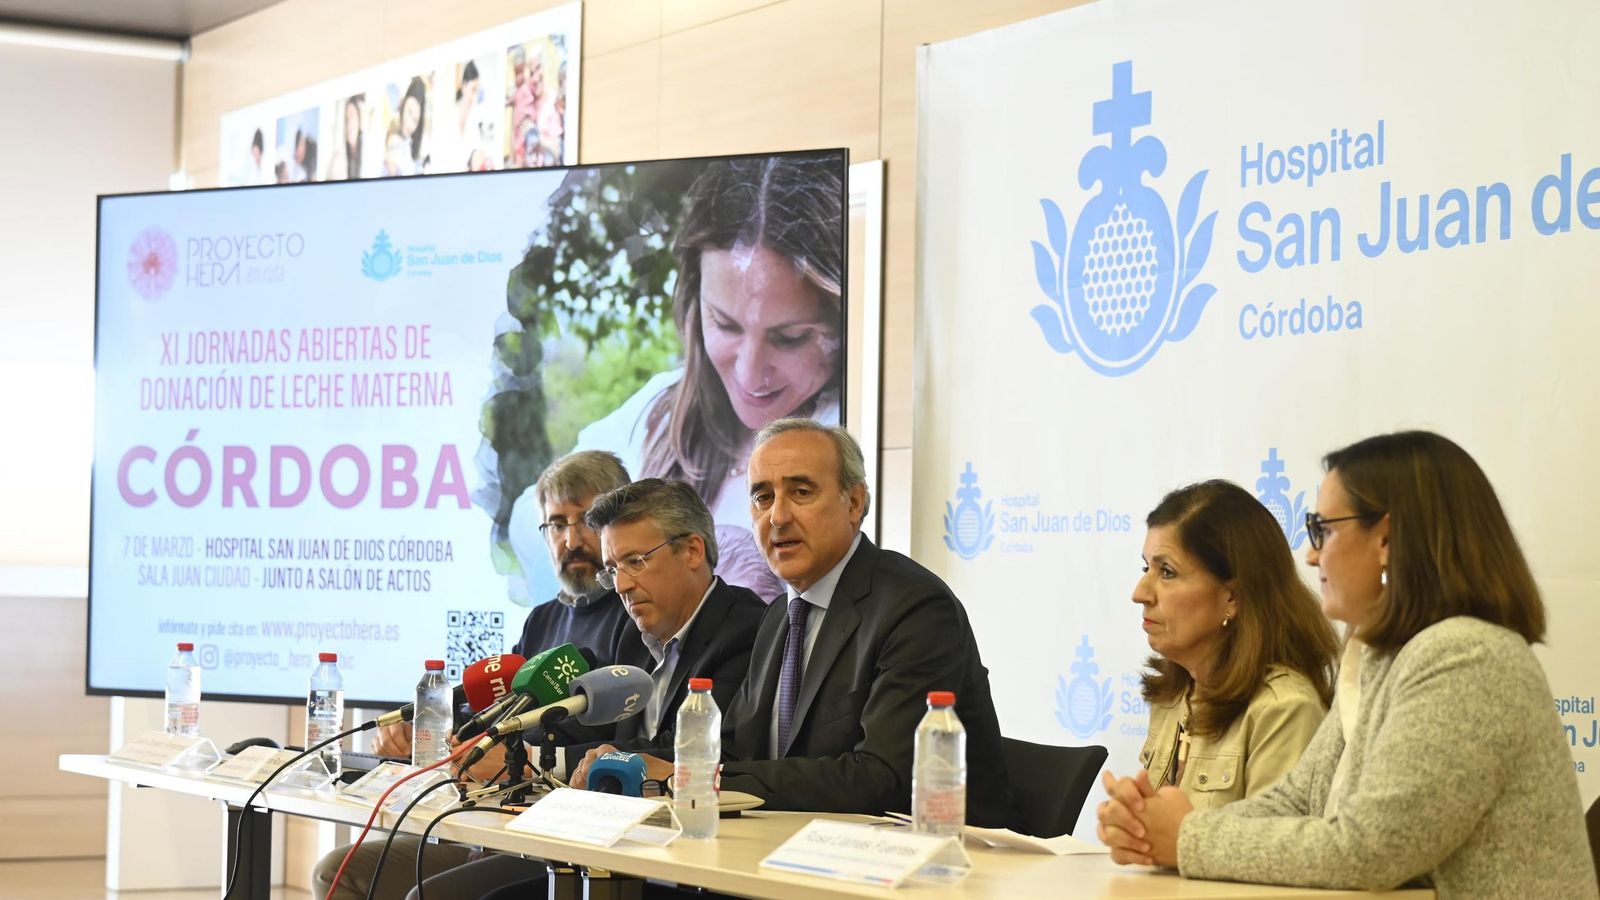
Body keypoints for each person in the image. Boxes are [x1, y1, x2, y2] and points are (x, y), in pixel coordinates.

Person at [1098, 431, 1598, 898]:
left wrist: (1187, 838)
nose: (1312, 556)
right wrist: (1156, 832)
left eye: (1323, 530)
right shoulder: (1383, 654)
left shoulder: (1468, 656)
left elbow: (1370, 850)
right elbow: (1296, 802)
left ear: (1385, 540)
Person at [599, 418, 1015, 825]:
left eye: (800, 492)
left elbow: (881, 777)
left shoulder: (915, 607)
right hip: (797, 848)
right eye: (762, 497)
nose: (777, 517)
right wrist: (641, 765)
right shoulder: (781, 613)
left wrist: (697, 778)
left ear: (854, 503)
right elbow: (739, 749)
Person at [312, 450, 638, 900]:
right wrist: (423, 731)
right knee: (338, 869)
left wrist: (523, 762)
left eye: (586, 520)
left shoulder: (634, 616)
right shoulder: (541, 620)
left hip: (568, 837)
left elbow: (623, 739)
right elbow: (491, 714)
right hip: (495, 823)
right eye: (557, 524)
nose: (571, 539)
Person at [429, 479, 766, 899]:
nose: (622, 586)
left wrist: (532, 761)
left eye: (636, 562)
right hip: (621, 851)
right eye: (613, 570)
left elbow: (692, 753)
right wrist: (501, 750)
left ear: (693, 551)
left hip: (697, 865)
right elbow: (594, 729)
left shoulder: (746, 630)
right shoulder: (634, 637)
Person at [574, 156, 844, 601]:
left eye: (790, 337)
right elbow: (538, 514)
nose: (748, 373)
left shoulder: (843, 437)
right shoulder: (656, 412)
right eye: (725, 324)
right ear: (692, 303)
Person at [1131, 480, 1336, 808]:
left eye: (1166, 572)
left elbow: (1273, 854)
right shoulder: (1174, 696)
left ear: (1232, 597)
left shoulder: (1284, 710)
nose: (1140, 592)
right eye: (1146, 567)